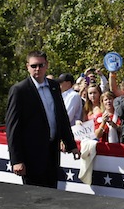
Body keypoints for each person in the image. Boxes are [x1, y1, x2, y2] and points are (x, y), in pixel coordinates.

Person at [5, 51, 79, 188]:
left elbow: (61, 117)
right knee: (34, 197)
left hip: (51, 152)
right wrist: (17, 160)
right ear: (27, 67)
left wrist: (71, 144)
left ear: (47, 65)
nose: (37, 69)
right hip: (31, 156)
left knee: (51, 193)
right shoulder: (19, 90)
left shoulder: (54, 86)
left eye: (41, 65)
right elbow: (12, 128)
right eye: (34, 66)